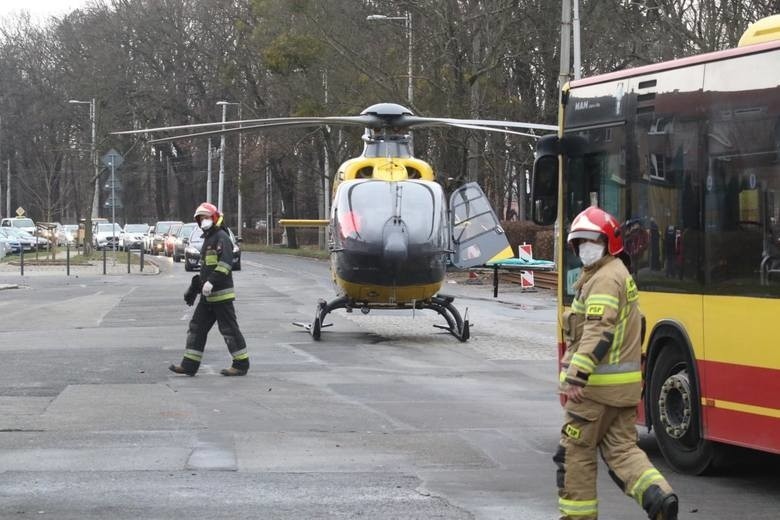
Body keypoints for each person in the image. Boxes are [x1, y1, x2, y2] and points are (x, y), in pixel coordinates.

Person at [554, 206, 678, 520]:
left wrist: (576, 376)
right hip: (622, 393)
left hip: (594, 393)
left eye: (592, 241)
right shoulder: (616, 274)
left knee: (574, 455)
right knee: (622, 452)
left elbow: (599, 330)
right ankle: (660, 498)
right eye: (579, 243)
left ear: (609, 243)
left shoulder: (604, 280)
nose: (585, 248)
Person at [169, 202, 249, 377]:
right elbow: (206, 268)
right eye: (201, 218)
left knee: (229, 329)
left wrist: (211, 282)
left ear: (214, 218)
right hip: (208, 297)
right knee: (196, 328)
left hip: (221, 296)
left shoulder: (222, 237)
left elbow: (226, 263)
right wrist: (195, 287)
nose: (203, 221)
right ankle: (189, 365)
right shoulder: (208, 239)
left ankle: (241, 363)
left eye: (206, 217)